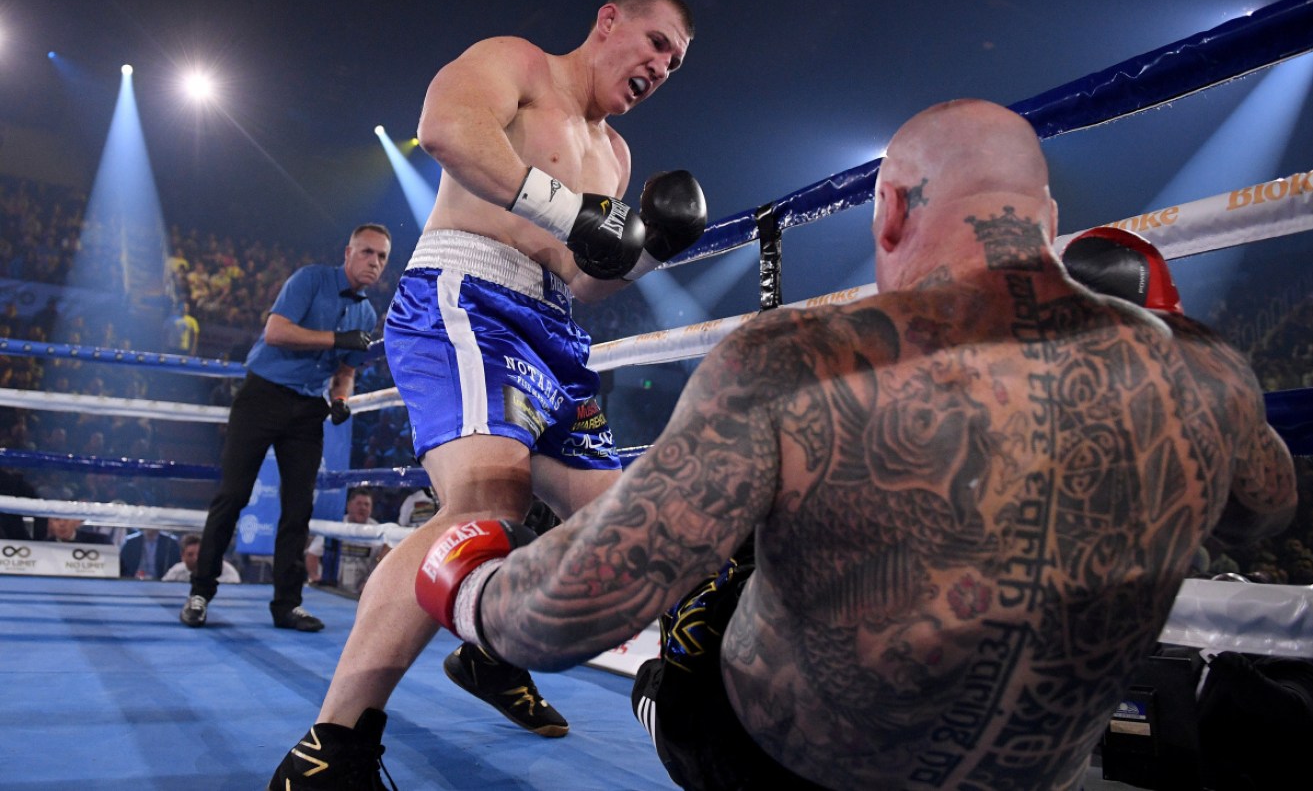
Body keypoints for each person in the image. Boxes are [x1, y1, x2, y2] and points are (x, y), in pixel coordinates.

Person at [410, 99, 1298, 790]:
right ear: (1048, 216)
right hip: (1041, 774)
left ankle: (659, 695)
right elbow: (1267, 511)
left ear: (888, 213)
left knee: (732, 550)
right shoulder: (1199, 376)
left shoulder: (792, 363)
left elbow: (580, 610)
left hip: (782, 767)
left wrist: (467, 585)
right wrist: (1174, 344)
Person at [269, 0, 703, 787]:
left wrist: (649, 250)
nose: (660, 66)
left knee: (630, 526)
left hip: (555, 332)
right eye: (655, 42)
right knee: (484, 505)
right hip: (468, 297)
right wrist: (569, 211)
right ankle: (330, 750)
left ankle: (490, 656)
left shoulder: (614, 155)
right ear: (608, 20)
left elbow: (583, 275)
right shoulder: (520, 65)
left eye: (672, 63)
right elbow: (445, 130)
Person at [181, 223, 391, 632]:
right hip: (263, 396)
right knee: (233, 495)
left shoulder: (366, 313)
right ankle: (200, 592)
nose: (375, 263)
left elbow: (346, 371)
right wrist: (335, 338)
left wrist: (342, 400)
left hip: (308, 408)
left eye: (382, 257)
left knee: (299, 509)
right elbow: (276, 332)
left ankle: (287, 605)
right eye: (367, 252)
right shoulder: (310, 279)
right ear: (347, 253)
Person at [306, 487, 383, 595]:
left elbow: (383, 560)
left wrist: (370, 582)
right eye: (359, 503)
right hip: (334, 589)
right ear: (349, 506)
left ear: (371, 509)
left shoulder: (378, 531)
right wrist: (315, 576)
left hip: (362, 591)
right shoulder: (336, 526)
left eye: (367, 504)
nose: (363, 508)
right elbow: (312, 554)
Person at [163, 533, 241, 584]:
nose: (196, 558)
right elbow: (163, 589)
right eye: (190, 555)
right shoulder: (176, 571)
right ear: (183, 556)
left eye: (199, 554)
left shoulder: (226, 572)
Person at [45, 517, 112, 545]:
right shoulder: (44, 546)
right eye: (57, 519)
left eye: (66, 519)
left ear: (77, 522)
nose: (62, 524)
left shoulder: (100, 542)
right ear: (50, 523)